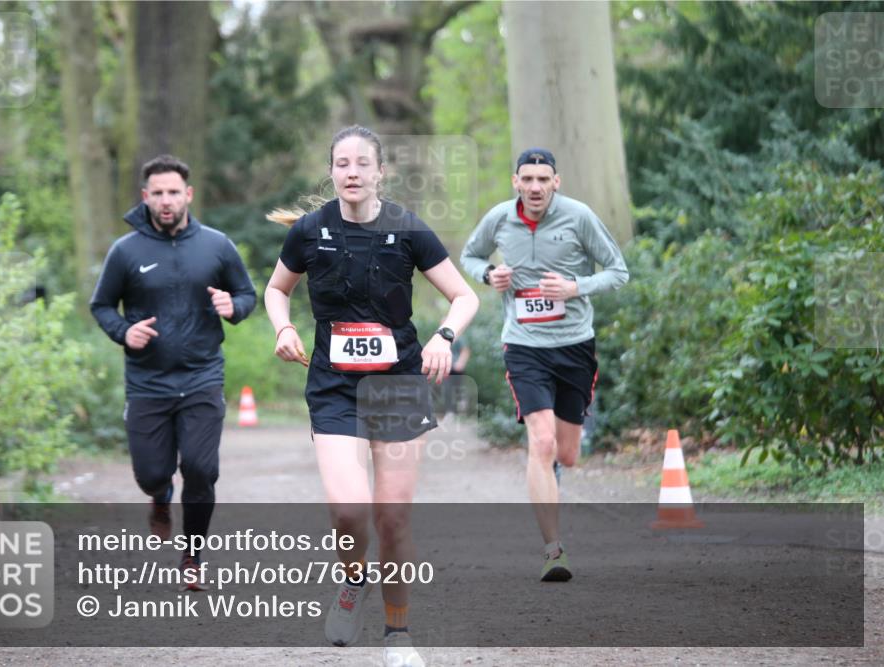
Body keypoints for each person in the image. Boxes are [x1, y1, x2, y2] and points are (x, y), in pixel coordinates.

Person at [265, 126, 478, 667]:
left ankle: (398, 635)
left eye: (362, 163)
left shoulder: (408, 228)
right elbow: (276, 289)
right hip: (334, 387)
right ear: (332, 171)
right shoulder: (310, 232)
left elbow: (463, 296)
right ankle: (351, 580)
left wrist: (443, 337)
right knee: (349, 511)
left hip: (399, 384)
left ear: (380, 171)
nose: (352, 172)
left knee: (393, 519)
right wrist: (284, 329)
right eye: (342, 163)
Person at [460, 148, 628, 582]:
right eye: (527, 179)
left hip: (574, 346)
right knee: (542, 441)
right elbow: (470, 256)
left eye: (543, 179)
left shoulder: (579, 217)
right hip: (524, 346)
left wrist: (576, 287)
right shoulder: (499, 218)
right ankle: (554, 550)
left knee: (567, 455)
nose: (535, 187)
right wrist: (488, 275)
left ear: (557, 181)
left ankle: (549, 469)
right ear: (515, 180)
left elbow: (618, 271)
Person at [90, 154, 256, 588]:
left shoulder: (217, 245)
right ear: (146, 197)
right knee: (150, 475)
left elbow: (246, 294)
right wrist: (124, 332)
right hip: (147, 381)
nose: (166, 201)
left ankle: (193, 556)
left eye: (173, 192)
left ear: (189, 194)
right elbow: (102, 305)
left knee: (201, 470)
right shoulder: (126, 251)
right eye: (157, 193)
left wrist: (233, 307)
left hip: (202, 376)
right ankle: (160, 497)